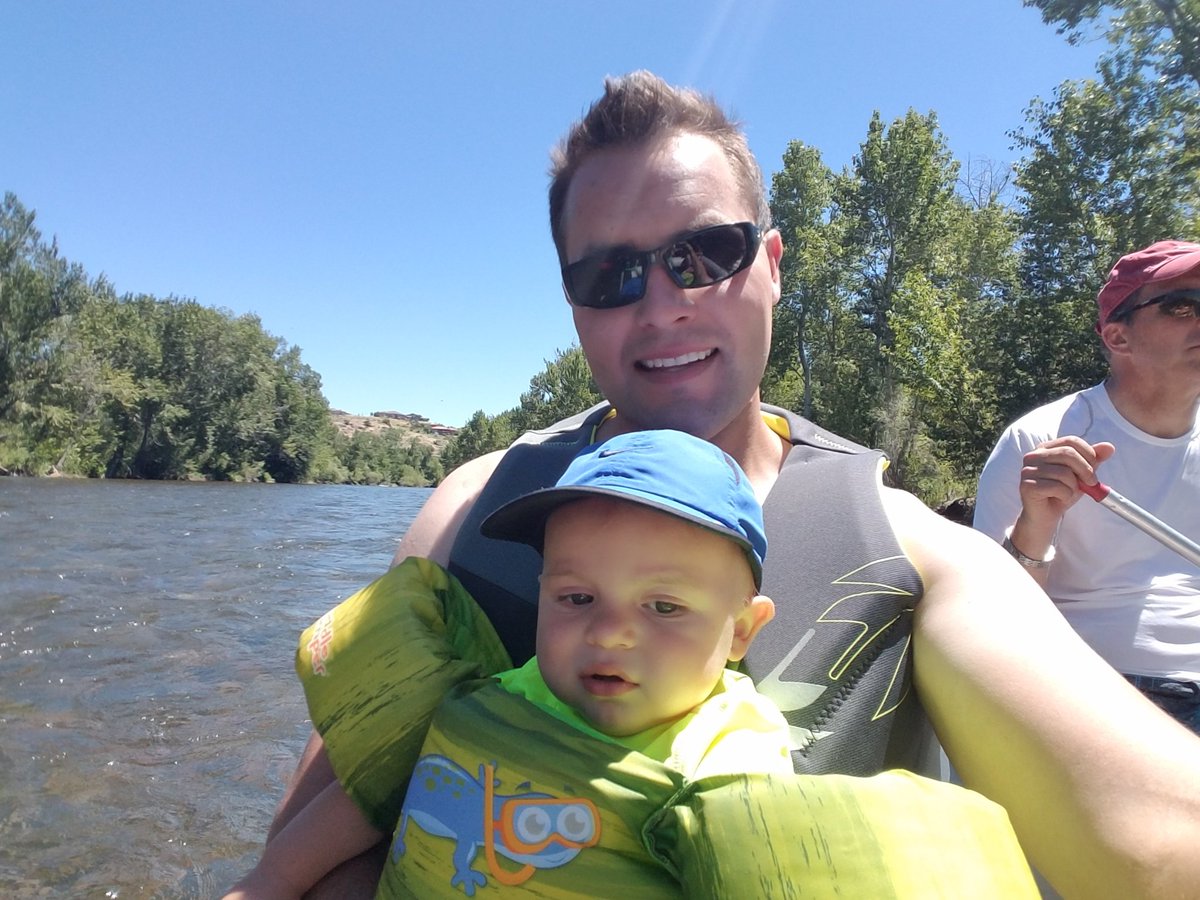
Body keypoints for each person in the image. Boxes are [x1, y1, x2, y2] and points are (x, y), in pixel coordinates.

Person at [264, 72, 1200, 899]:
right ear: (574, 304)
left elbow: (1155, 840)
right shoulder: (471, 504)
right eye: (609, 273)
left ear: (773, 266)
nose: (664, 302)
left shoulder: (915, 550)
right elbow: (325, 809)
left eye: (705, 253)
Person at [231, 430, 1035, 898]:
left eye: (663, 608)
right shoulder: (493, 690)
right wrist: (268, 883)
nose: (610, 634)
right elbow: (375, 796)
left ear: (742, 632)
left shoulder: (729, 755)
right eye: (576, 598)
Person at [974, 240, 1200, 733]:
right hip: (1101, 685)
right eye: (1183, 306)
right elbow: (989, 614)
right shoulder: (1039, 439)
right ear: (1118, 337)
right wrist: (1037, 521)